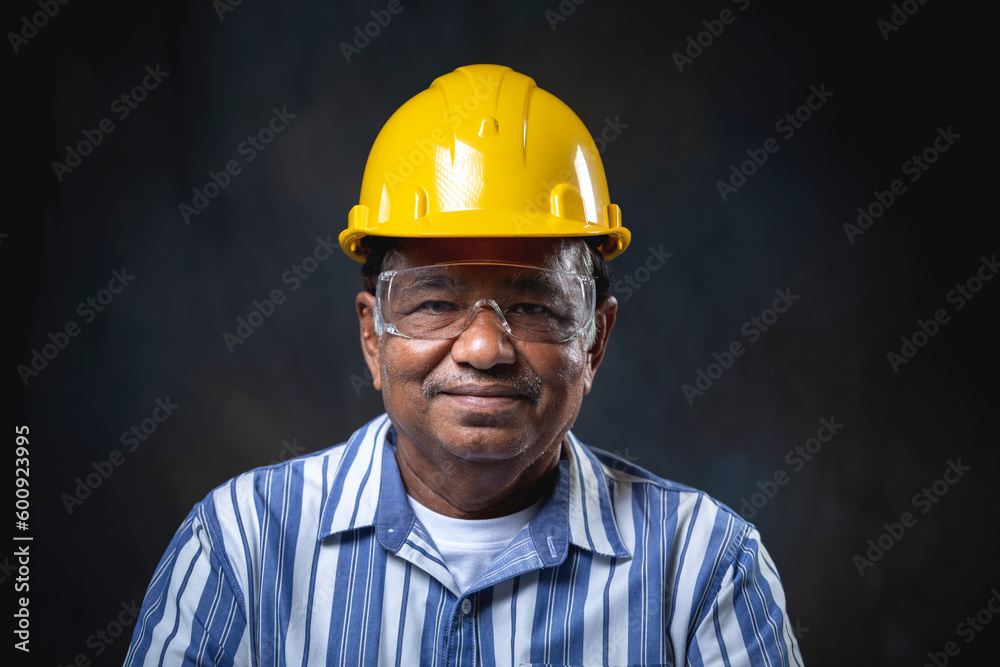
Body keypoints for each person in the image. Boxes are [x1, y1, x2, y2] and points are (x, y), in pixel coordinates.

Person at [125, 64, 803, 666]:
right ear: (373, 336)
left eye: (535, 305)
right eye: (436, 301)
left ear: (594, 341)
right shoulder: (239, 548)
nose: (483, 347)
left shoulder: (706, 567)